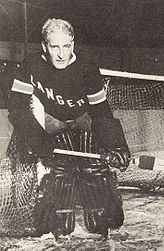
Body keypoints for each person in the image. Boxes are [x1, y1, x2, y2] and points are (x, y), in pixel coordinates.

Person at [7, 18, 130, 238]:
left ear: (73, 44)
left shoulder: (87, 67)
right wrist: (38, 139)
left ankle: (105, 194)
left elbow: (101, 111)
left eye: (67, 46)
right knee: (58, 177)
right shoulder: (31, 64)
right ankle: (42, 203)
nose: (62, 54)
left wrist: (116, 145)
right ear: (45, 46)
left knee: (94, 170)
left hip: (83, 117)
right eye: (55, 47)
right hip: (52, 119)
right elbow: (16, 108)